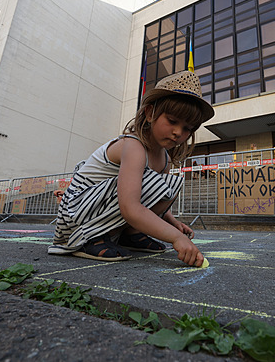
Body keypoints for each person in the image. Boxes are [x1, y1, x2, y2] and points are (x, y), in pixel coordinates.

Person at [49, 70, 214, 267]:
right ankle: (87, 239)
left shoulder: (164, 158)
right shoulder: (134, 146)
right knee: (146, 183)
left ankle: (131, 234)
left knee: (170, 184)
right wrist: (176, 238)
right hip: (75, 216)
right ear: (150, 113)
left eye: (187, 128)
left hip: (99, 209)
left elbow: (154, 194)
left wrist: (173, 224)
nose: (178, 132)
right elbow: (130, 206)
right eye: (172, 121)